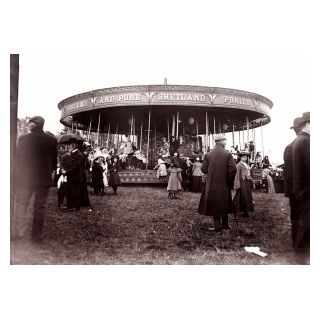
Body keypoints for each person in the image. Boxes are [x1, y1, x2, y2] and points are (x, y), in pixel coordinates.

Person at [13, 116, 57, 242]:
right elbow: (54, 162)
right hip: (43, 178)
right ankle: (37, 236)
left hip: (26, 177)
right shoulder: (51, 140)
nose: (29, 125)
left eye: (30, 123)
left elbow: (19, 159)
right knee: (40, 207)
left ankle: (18, 233)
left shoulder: (23, 139)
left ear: (34, 125)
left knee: (21, 204)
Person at [201, 134, 237, 231]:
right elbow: (233, 169)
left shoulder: (208, 155)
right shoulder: (227, 154)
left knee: (214, 202)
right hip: (223, 183)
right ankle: (225, 225)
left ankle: (217, 226)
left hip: (211, 184)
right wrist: (228, 179)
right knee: (224, 201)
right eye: (225, 140)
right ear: (220, 141)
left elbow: (203, 169)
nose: (226, 142)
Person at [283, 116, 306, 248]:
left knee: (295, 217)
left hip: (293, 189)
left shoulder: (289, 146)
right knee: (301, 218)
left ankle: (295, 242)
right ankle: (300, 247)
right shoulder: (302, 145)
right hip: (301, 190)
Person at [292, 112, 310, 263]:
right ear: (308, 125)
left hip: (302, 189)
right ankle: (301, 257)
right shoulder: (305, 141)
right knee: (307, 224)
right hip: (307, 189)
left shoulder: (299, 140)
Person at [63, 139, 84, 211]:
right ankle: (69, 205)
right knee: (69, 191)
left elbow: (76, 167)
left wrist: (66, 172)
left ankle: (76, 206)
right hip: (71, 175)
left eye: (69, 145)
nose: (68, 147)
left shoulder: (79, 155)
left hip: (75, 176)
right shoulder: (72, 154)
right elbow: (70, 164)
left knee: (75, 191)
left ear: (74, 146)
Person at [233, 152, 255, 217]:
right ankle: (239, 209)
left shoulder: (246, 164)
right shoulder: (238, 165)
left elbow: (248, 174)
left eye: (245, 157)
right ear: (240, 158)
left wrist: (252, 181)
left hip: (247, 182)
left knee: (247, 197)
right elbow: (237, 175)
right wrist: (237, 184)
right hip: (242, 182)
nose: (245, 158)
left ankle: (245, 211)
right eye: (243, 157)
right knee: (242, 196)